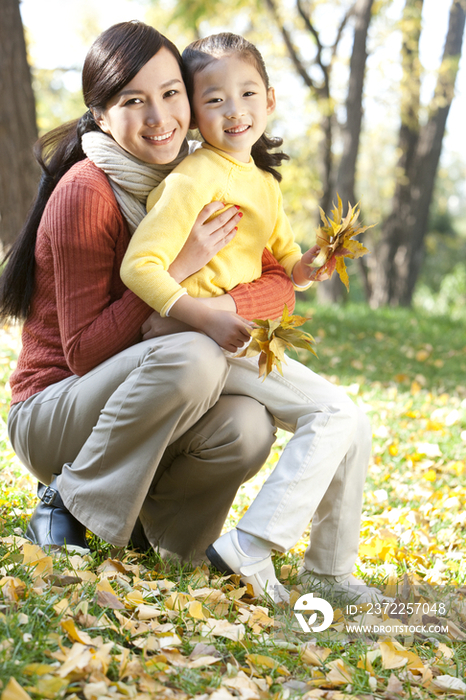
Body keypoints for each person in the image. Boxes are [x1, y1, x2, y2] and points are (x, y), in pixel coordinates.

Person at [0, 21, 297, 565]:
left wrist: (215, 307)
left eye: (170, 94)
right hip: (57, 411)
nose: (159, 119)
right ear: (101, 116)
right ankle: (65, 498)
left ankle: (162, 540)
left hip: (144, 400)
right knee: (193, 355)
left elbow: (280, 284)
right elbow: (84, 353)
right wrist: (181, 268)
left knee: (249, 426)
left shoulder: (206, 173)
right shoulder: (86, 192)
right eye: (134, 101)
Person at [120, 33, 383, 604]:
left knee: (352, 423)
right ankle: (253, 542)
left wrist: (306, 266)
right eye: (213, 100)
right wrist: (196, 315)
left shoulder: (262, 181)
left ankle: (330, 572)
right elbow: (139, 266)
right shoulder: (194, 178)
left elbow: (282, 255)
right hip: (207, 344)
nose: (233, 110)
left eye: (245, 94)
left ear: (269, 100)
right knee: (336, 411)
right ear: (193, 115)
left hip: (245, 338)